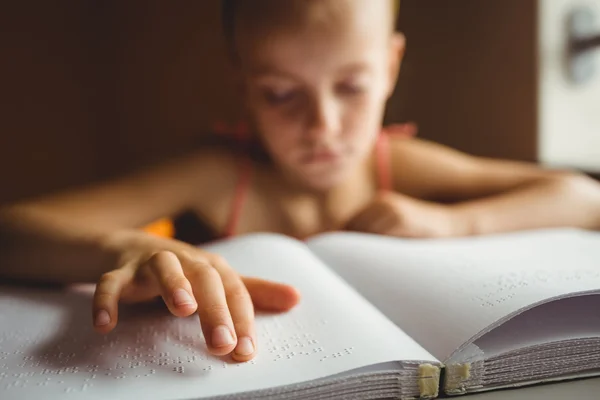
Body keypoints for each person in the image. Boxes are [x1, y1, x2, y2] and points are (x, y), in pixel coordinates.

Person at [1, 0, 599, 362]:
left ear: (389, 67)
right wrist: (131, 244)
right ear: (244, 87)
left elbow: (583, 196)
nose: (323, 126)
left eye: (351, 86)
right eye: (282, 95)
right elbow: (11, 232)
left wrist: (451, 221)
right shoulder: (218, 174)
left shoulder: (393, 163)